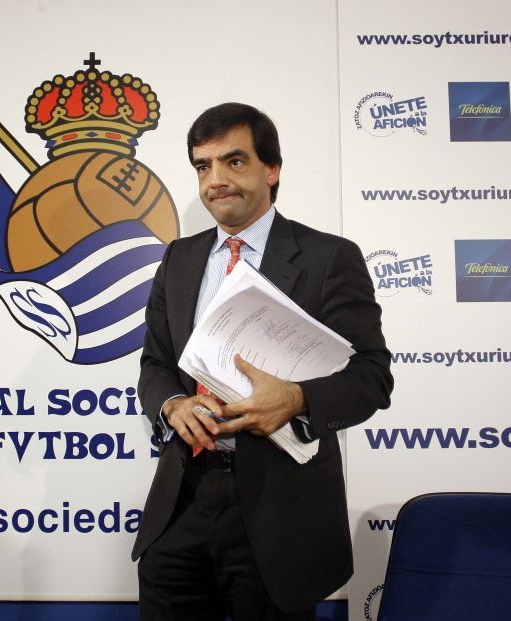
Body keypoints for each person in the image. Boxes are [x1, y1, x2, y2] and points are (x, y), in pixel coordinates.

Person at [131, 102, 393, 620]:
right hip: (182, 496)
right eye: (203, 166)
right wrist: (173, 405)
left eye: (234, 161)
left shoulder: (327, 258)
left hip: (280, 509)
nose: (215, 181)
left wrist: (296, 399)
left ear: (271, 169)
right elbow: (155, 363)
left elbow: (372, 376)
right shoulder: (178, 258)